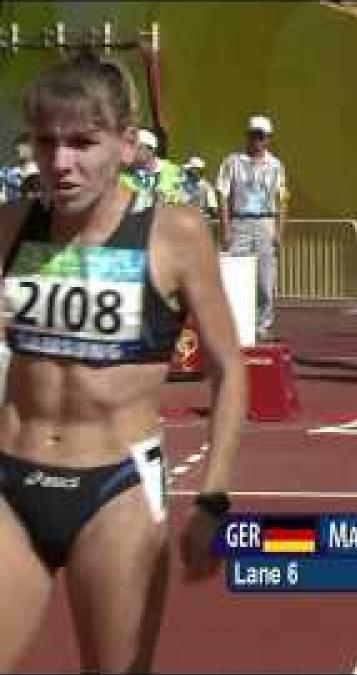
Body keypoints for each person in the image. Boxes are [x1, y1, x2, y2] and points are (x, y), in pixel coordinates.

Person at [0, 51, 245, 671]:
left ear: (127, 144)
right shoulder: (11, 225)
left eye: (83, 142)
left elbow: (229, 368)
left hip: (115, 489)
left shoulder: (176, 234)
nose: (60, 162)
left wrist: (213, 497)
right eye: (46, 141)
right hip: (10, 478)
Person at [216, 114, 288, 342]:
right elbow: (223, 195)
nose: (257, 140)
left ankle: (263, 325)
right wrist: (225, 228)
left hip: (266, 221)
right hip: (240, 222)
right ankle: (232, 324)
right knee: (233, 275)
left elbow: (282, 197)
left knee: (266, 280)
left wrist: (279, 229)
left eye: (262, 136)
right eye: (254, 135)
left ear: (268, 139)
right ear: (247, 136)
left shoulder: (276, 165)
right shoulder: (232, 162)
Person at [119, 128, 185, 205]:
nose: (132, 152)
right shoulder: (123, 178)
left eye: (138, 148)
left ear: (151, 150)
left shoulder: (174, 172)